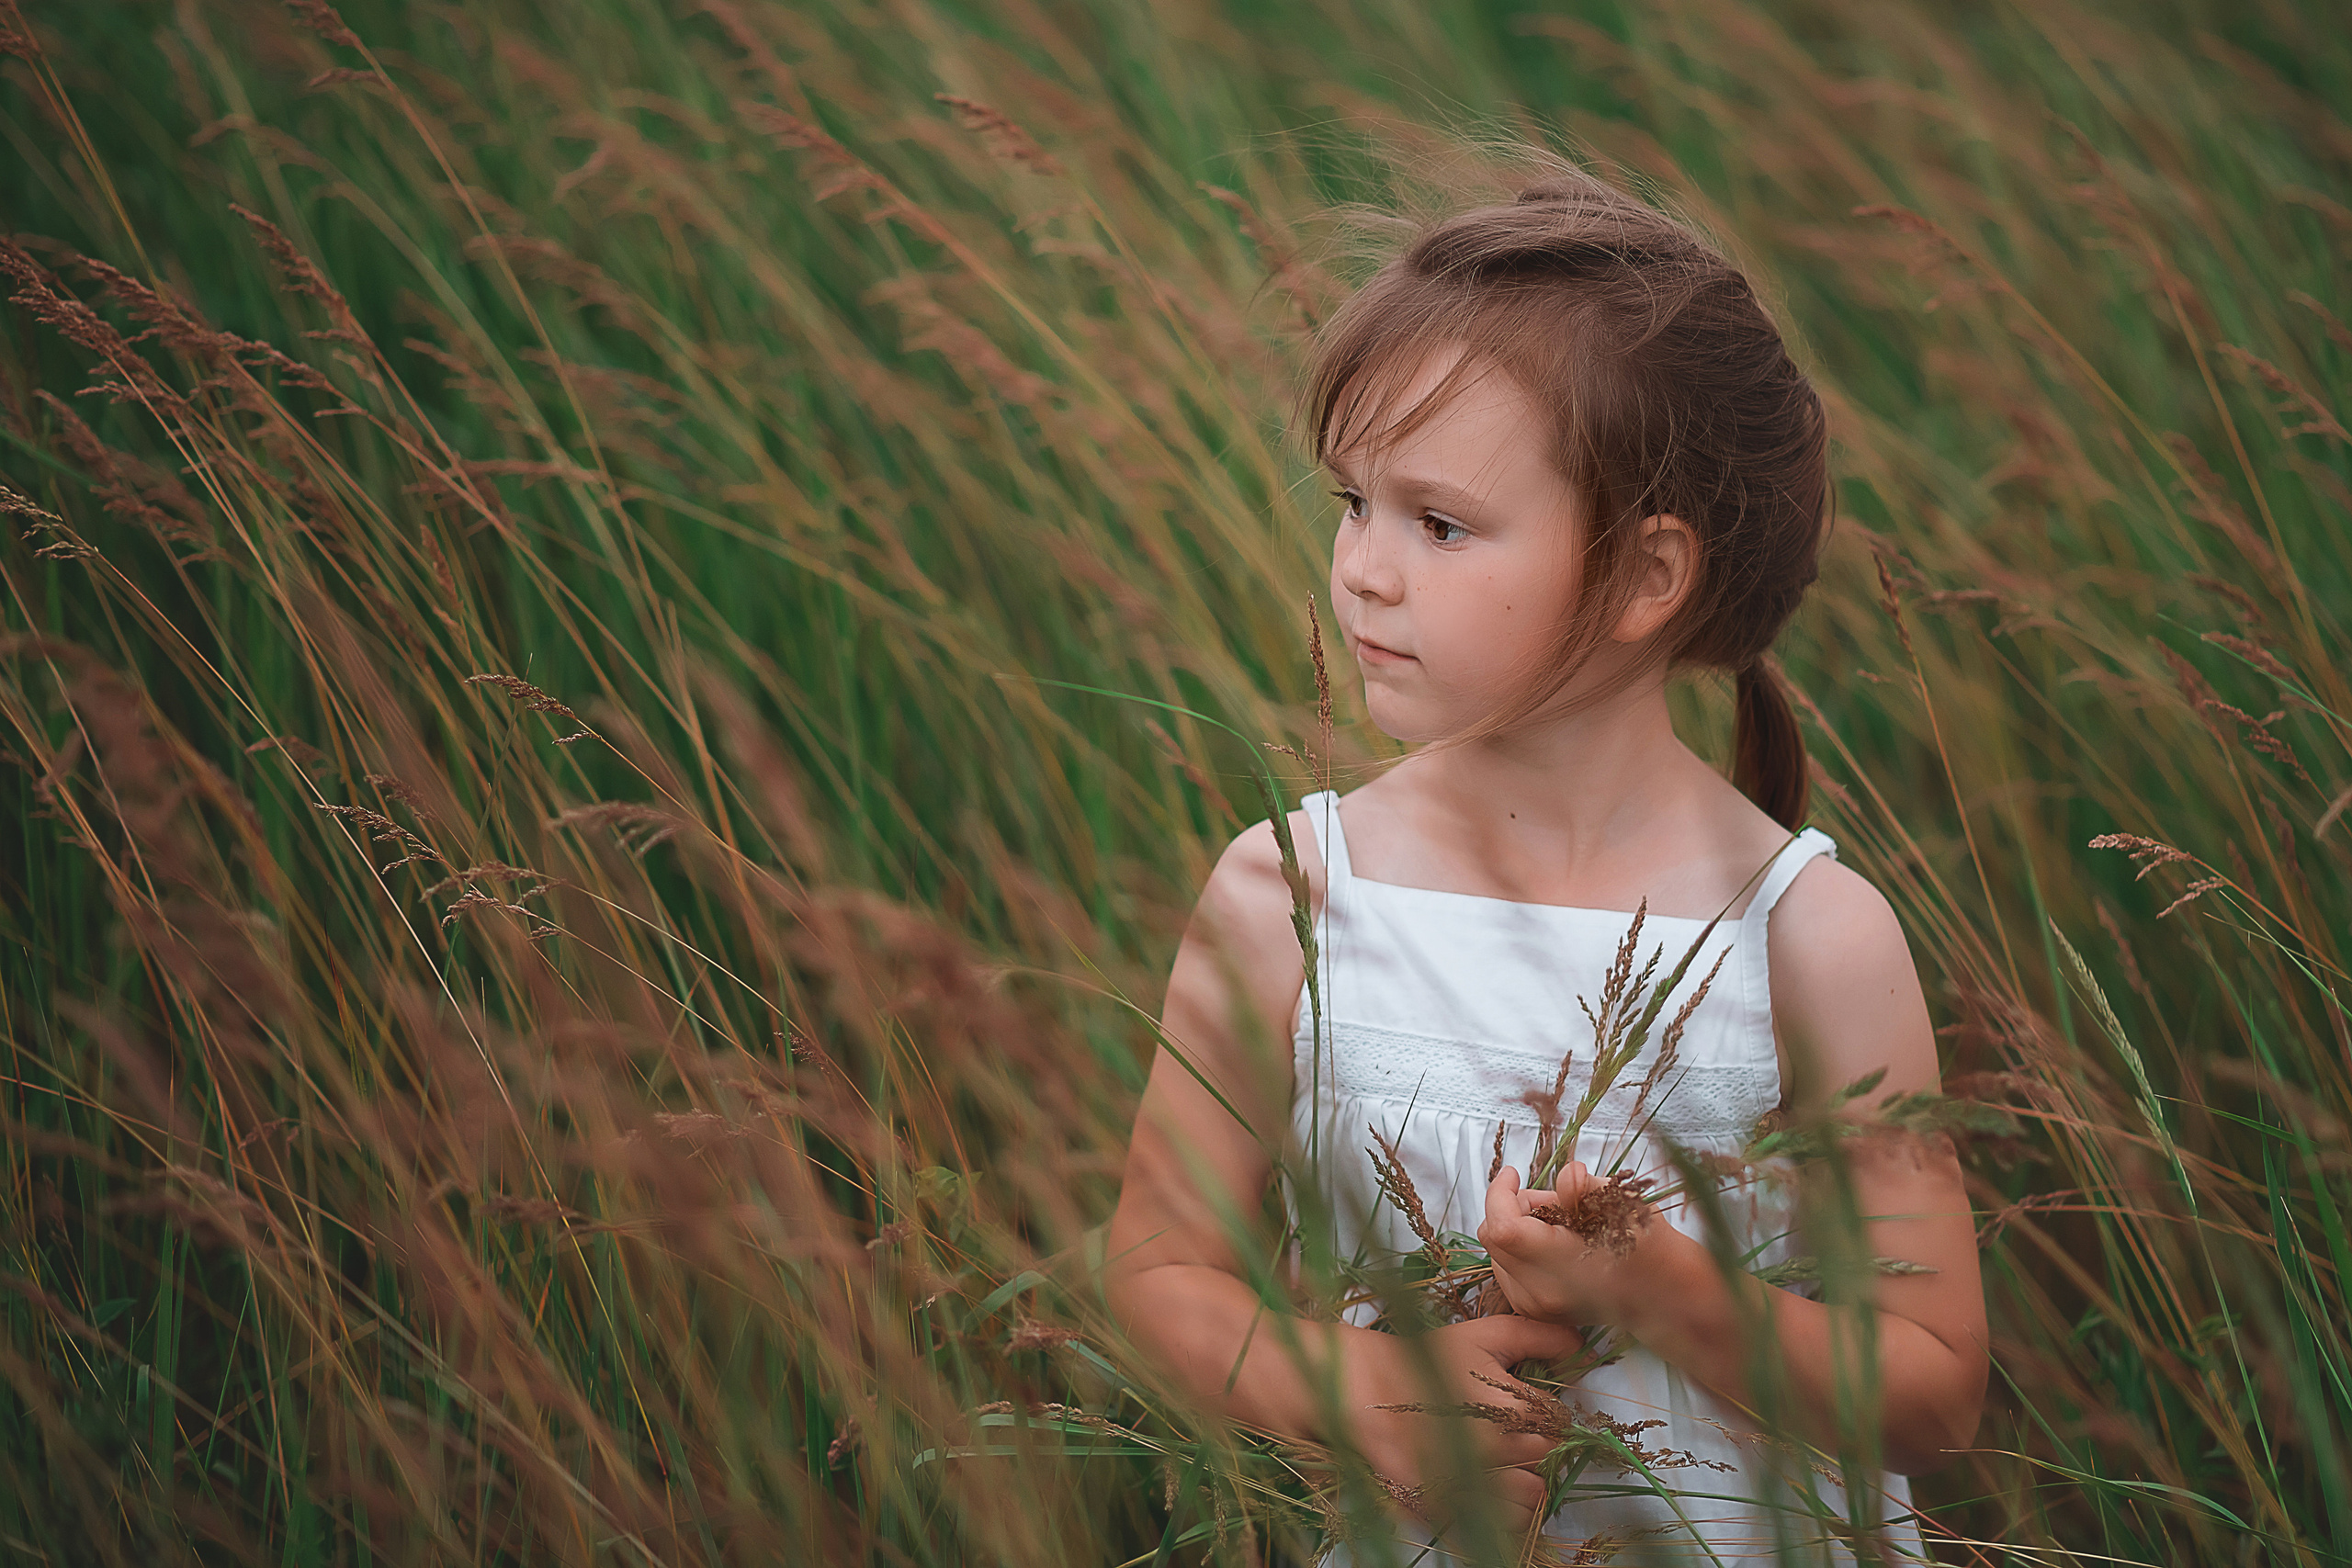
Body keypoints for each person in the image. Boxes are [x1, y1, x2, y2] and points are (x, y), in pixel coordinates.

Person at [1103, 161, 1987, 1565]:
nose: (1364, 571)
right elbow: (1160, 1273)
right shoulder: (1290, 895)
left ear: (1646, 576)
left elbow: (1936, 1387)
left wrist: (1664, 1286)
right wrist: (1368, 1391)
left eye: (1440, 525)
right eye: (1353, 504)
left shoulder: (1808, 937)